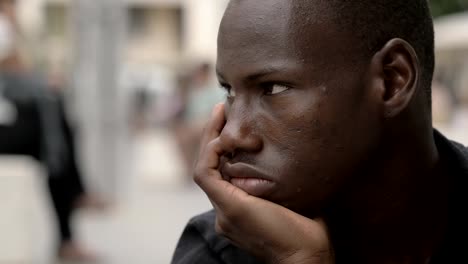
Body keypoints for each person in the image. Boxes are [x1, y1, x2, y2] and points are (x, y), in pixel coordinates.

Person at [172, 0, 468, 263]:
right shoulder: (217, 252)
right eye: (230, 91)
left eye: (273, 88)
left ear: (392, 80)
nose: (231, 134)